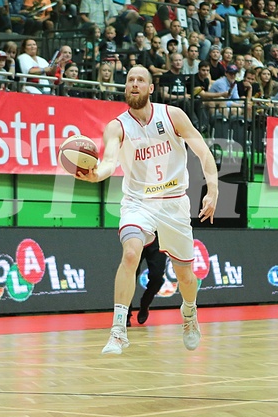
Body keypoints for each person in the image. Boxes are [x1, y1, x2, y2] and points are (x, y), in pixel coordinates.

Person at [77, 65, 218, 355]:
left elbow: (203, 151)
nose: (134, 84)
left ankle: (189, 314)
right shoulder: (117, 126)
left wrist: (213, 190)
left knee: (186, 278)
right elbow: (109, 161)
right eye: (130, 80)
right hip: (138, 202)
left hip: (174, 202)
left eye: (141, 80)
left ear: (151, 88)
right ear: (125, 87)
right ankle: (118, 331)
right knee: (130, 253)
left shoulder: (172, 116)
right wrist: (96, 174)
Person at [127, 234, 168, 326]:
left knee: (157, 276)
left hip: (157, 236)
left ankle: (145, 303)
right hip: (136, 234)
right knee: (129, 275)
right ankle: (126, 313)